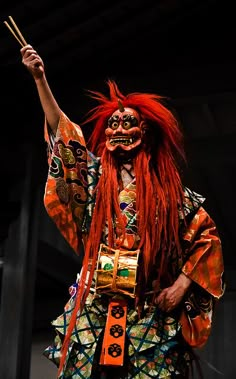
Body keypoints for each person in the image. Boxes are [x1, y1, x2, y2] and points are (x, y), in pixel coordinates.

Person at [21, 44, 225, 379]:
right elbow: (64, 138)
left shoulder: (171, 194)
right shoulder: (94, 178)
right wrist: (40, 80)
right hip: (92, 309)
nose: (117, 129)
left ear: (145, 132)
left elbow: (207, 240)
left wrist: (180, 286)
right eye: (112, 123)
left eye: (127, 122)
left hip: (148, 313)